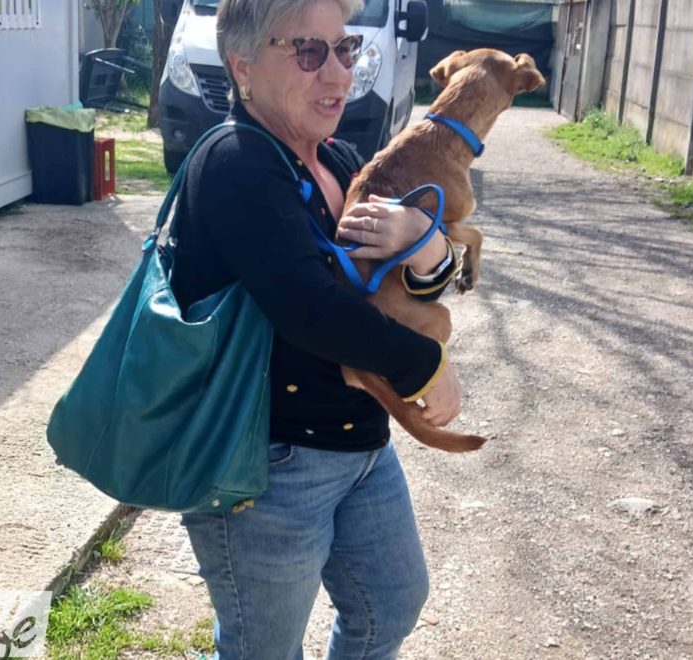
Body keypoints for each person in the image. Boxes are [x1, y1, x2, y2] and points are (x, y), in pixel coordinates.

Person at [172, 0, 463, 656]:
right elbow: (310, 308)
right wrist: (425, 365)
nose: (337, 73)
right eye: (308, 51)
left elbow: (395, 289)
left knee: (390, 604)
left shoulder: (340, 159)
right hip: (265, 466)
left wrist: (425, 244)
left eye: (344, 48)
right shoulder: (235, 163)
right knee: (264, 648)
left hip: (361, 445)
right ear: (242, 67)